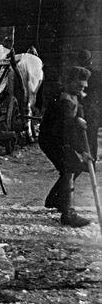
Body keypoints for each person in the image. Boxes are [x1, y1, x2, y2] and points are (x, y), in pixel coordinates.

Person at [38, 66, 92, 227]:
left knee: (74, 167)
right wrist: (82, 151)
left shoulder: (74, 95)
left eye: (84, 85)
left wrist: (79, 117)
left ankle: (55, 198)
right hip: (52, 140)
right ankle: (68, 213)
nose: (82, 88)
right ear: (69, 82)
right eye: (79, 84)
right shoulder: (64, 101)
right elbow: (67, 130)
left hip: (60, 139)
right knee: (69, 169)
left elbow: (77, 116)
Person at [78, 50, 101, 163]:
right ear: (90, 61)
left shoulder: (76, 75)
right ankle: (92, 159)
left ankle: (85, 158)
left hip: (81, 109)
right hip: (94, 109)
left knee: (82, 133)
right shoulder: (97, 74)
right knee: (92, 135)